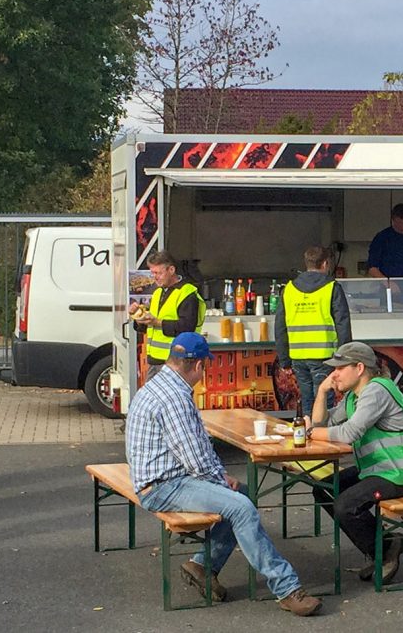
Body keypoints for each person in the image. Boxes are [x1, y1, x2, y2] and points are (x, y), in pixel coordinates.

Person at [125, 332, 321, 617]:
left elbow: (197, 450)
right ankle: (287, 588)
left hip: (159, 478)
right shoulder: (175, 398)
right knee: (241, 507)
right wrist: (218, 480)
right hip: (163, 486)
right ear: (199, 366)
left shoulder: (159, 386)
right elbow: (194, 456)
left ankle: (203, 565)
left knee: (240, 494)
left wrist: (220, 477)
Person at [307, 342, 403, 584]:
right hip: (379, 468)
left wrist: (308, 434)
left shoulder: (376, 391)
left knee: (345, 505)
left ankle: (384, 550)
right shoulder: (355, 396)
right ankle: (383, 547)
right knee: (323, 488)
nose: (334, 374)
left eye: (340, 368)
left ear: (359, 368)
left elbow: (347, 433)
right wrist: (321, 392)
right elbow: (324, 424)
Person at [275, 245, 351, 415]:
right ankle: (322, 436)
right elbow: (343, 324)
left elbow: (280, 327)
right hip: (324, 356)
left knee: (307, 400)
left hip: (298, 357)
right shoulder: (332, 287)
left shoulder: (289, 289)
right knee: (325, 401)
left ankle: (309, 435)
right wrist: (345, 358)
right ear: (325, 264)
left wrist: (284, 360)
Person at [128, 250, 205, 382]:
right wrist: (138, 318)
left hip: (175, 363)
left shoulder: (186, 293)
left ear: (171, 270)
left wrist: (157, 322)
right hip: (155, 360)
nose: (155, 277)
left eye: (158, 273)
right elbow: (147, 327)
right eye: (152, 273)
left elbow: (187, 327)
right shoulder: (158, 292)